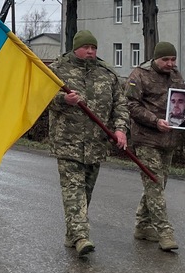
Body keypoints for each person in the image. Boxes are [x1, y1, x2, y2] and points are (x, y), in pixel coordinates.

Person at [46, 30, 129, 257]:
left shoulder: (107, 74)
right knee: (73, 190)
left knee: (86, 191)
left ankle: (72, 233)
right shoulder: (57, 71)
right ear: (76, 48)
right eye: (86, 48)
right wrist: (63, 99)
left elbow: (120, 105)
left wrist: (121, 129)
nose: (91, 52)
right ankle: (82, 236)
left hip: (96, 143)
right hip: (68, 142)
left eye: (94, 48)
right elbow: (42, 100)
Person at [126, 41, 185, 252]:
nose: (170, 63)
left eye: (173, 59)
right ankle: (165, 232)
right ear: (156, 58)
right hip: (146, 138)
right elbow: (131, 105)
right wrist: (154, 121)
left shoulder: (176, 75)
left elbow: (180, 100)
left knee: (158, 184)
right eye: (166, 60)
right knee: (154, 183)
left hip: (169, 139)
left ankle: (142, 226)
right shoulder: (139, 75)